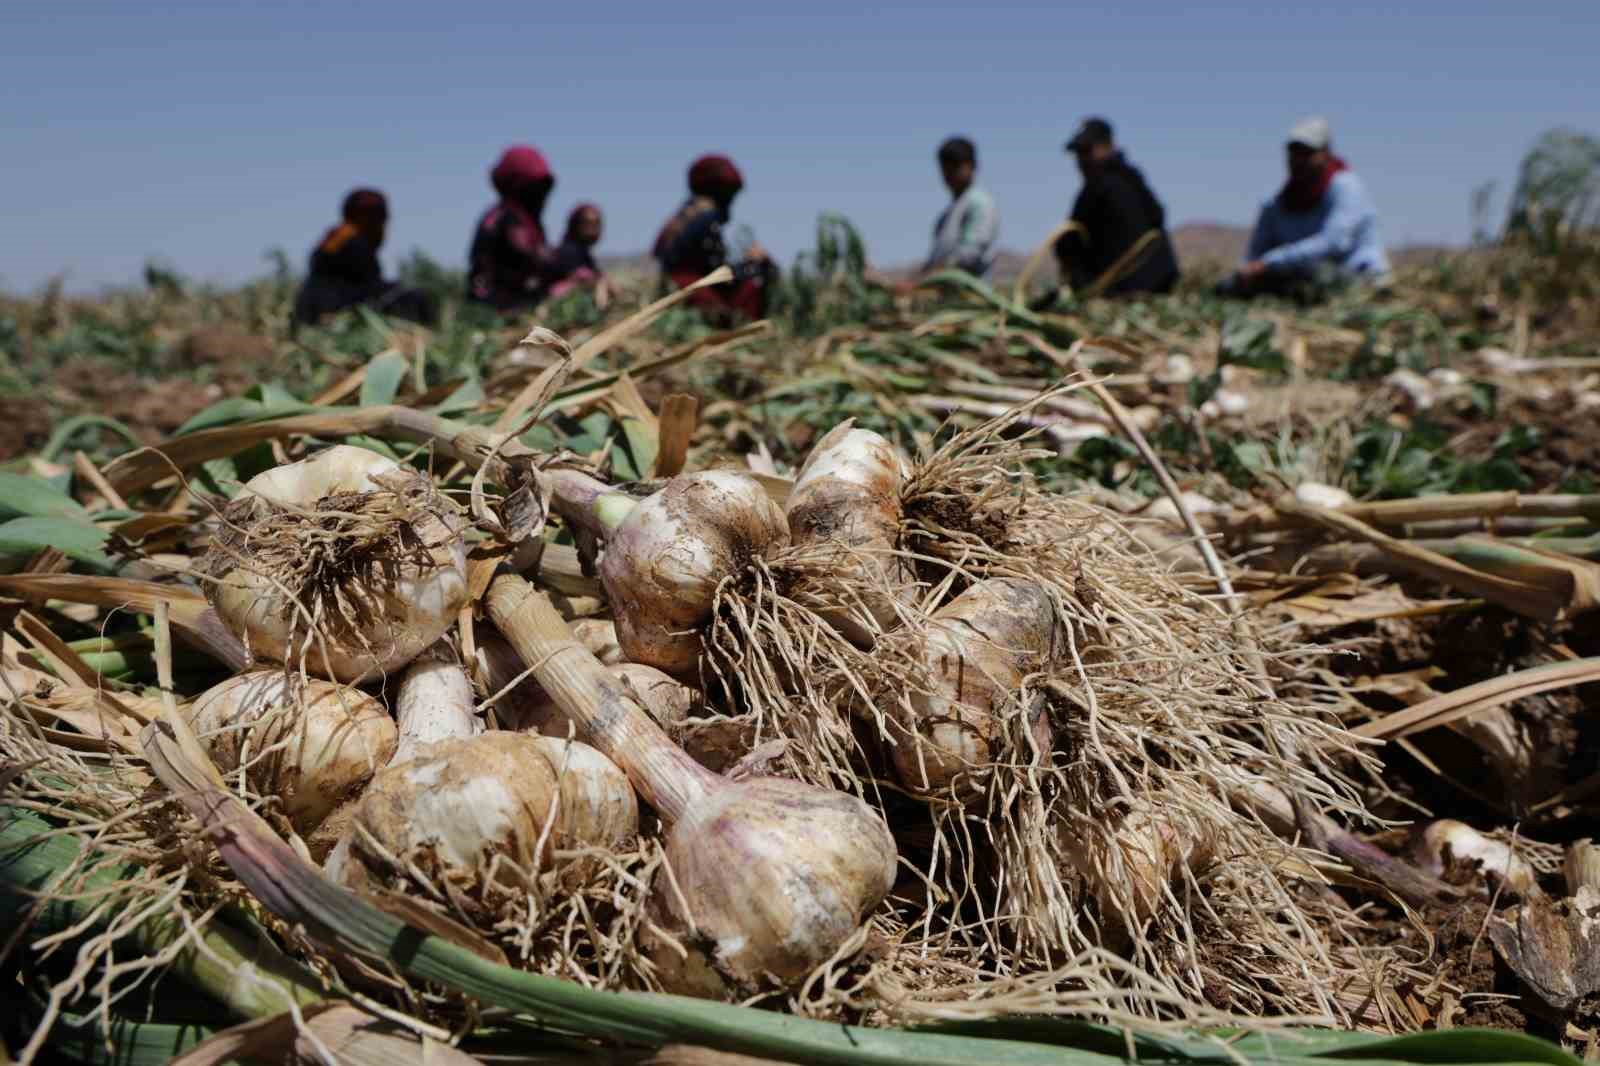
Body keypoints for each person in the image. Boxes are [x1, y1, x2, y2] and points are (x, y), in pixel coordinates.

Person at [1221, 116, 1391, 297]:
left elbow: (1333, 243)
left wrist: (1270, 263)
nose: (1298, 160)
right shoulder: (1278, 203)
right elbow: (1254, 257)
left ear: (1325, 154)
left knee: (1321, 277)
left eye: (1306, 152)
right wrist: (1247, 272)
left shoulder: (1346, 188)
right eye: (1294, 152)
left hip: (1354, 276)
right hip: (1303, 276)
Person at [1043, 118, 1179, 303]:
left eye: (1086, 151)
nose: (1081, 161)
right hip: (1159, 289)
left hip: (1120, 294)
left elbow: (1070, 243)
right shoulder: (1132, 179)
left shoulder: (1100, 186)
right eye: (1078, 153)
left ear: (1107, 146)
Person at [653, 154, 776, 324]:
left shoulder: (684, 216)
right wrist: (752, 263)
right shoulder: (706, 217)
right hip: (695, 296)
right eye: (730, 196)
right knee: (757, 276)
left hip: (682, 291)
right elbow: (716, 271)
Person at [292, 188, 436, 327]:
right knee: (415, 297)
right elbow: (369, 288)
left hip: (315, 310)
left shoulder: (334, 237)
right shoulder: (354, 243)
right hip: (336, 313)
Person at [466, 145, 562, 311]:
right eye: (536, 188)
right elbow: (534, 261)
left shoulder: (528, 223)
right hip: (501, 310)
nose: (542, 196)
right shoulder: (507, 221)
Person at [919, 136, 999, 279]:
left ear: (972, 165)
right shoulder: (945, 217)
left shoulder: (979, 203)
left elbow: (970, 254)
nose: (949, 174)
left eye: (955, 167)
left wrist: (934, 273)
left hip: (969, 297)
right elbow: (935, 259)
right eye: (945, 168)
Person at [545, 202, 612, 306]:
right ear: (575, 225)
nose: (593, 229)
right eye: (588, 223)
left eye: (596, 224)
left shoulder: (585, 255)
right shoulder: (567, 251)